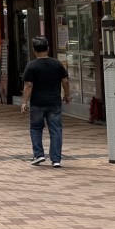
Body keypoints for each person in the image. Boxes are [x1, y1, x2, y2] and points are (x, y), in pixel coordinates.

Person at [22, 36, 70, 168]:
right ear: (48, 49)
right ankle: (56, 159)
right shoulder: (57, 64)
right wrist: (67, 95)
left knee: (36, 128)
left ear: (34, 50)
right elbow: (65, 81)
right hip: (54, 103)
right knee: (56, 130)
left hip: (37, 103)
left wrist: (24, 102)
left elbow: (28, 85)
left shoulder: (31, 65)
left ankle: (39, 155)